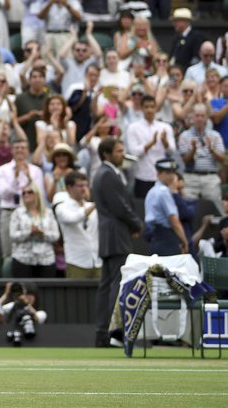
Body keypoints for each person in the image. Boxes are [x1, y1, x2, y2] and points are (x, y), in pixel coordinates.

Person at [92, 137, 143, 348]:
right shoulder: (107, 174)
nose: (122, 154)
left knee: (107, 286)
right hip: (116, 235)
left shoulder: (105, 173)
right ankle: (114, 332)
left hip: (109, 236)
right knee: (116, 285)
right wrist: (137, 223)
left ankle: (103, 334)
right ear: (107, 153)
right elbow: (119, 206)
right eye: (119, 151)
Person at [52, 170, 101, 279]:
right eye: (80, 186)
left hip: (96, 261)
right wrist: (97, 204)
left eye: (85, 185)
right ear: (69, 187)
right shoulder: (62, 207)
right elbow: (74, 218)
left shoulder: (92, 206)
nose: (84, 189)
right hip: (76, 262)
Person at [6, 181, 61, 278]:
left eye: (30, 192)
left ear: (37, 193)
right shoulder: (17, 213)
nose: (26, 195)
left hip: (46, 259)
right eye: (23, 193)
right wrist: (28, 232)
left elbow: (56, 235)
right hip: (23, 259)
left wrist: (42, 233)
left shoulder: (48, 213)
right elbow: (12, 235)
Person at [143, 158, 190, 256]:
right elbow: (174, 221)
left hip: (153, 238)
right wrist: (184, 240)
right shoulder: (164, 192)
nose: (172, 176)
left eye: (173, 172)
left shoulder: (151, 191)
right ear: (159, 173)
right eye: (168, 172)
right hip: (166, 238)